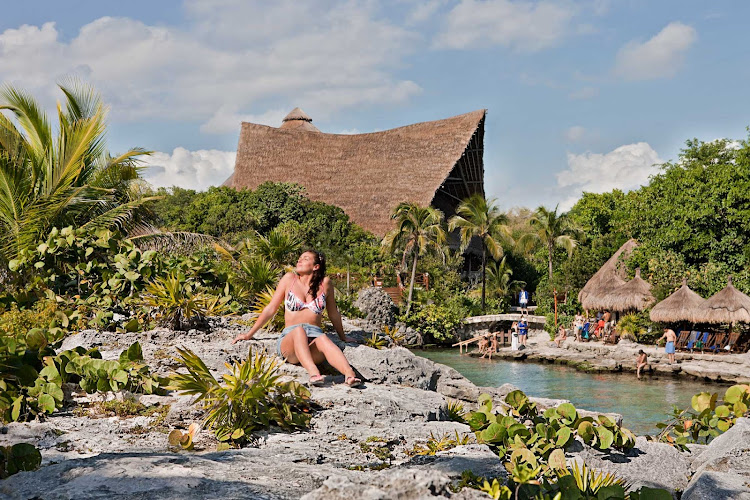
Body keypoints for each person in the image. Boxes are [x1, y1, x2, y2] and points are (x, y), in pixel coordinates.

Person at [232, 250, 363, 387]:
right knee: (299, 330)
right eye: (299, 259)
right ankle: (314, 373)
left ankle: (349, 375)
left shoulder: (326, 283)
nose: (299, 261)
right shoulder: (289, 279)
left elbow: (333, 313)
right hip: (290, 341)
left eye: (305, 259)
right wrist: (249, 334)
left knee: (323, 338)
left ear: (315, 266)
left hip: (314, 340)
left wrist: (343, 337)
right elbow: (271, 308)